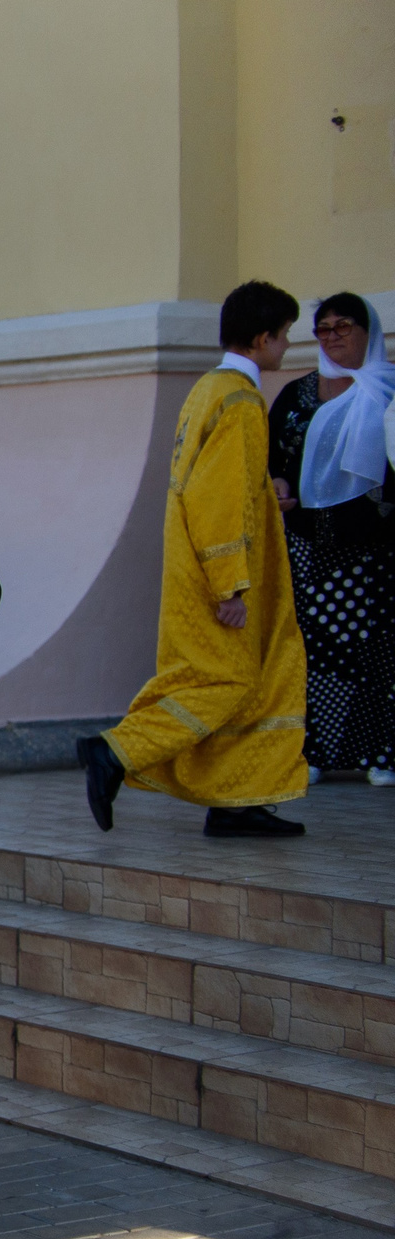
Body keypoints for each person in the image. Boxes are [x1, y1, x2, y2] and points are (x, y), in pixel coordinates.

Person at [79, 281, 310, 837]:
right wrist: (232, 586)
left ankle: (237, 802)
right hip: (222, 574)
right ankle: (116, 750)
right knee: (223, 683)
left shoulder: (210, 389)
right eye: (284, 336)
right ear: (262, 339)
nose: (287, 348)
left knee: (251, 682)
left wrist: (265, 490)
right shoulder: (242, 403)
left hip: (200, 564)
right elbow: (219, 498)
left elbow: (221, 486)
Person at [270, 293, 394, 785]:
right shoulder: (297, 394)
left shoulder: (387, 391)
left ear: (369, 332)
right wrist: (276, 484)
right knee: (314, 650)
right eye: (323, 329)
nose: (333, 337)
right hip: (307, 545)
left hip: (375, 547)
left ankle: (381, 754)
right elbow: (270, 458)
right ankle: (315, 750)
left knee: (378, 649)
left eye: (344, 326)